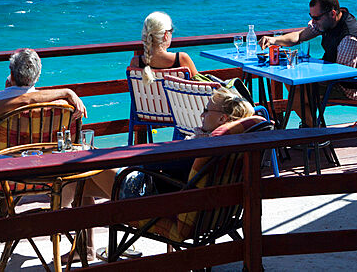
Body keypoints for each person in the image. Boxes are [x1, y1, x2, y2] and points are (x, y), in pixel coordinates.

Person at [64, 89, 256, 263]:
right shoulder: (226, 145)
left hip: (154, 200)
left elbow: (153, 163)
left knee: (91, 161)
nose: (201, 114)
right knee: (82, 178)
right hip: (205, 210)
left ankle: (57, 216)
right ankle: (84, 246)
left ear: (222, 119)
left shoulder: (203, 147)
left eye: (206, 111)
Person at [259, 0, 357, 126]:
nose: (313, 21)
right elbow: (299, 36)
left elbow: (340, 75)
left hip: (349, 89)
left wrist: (306, 68)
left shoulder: (350, 37)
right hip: (333, 78)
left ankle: (315, 133)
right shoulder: (328, 21)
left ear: (333, 13)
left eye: (316, 18)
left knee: (296, 97)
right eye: (311, 17)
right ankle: (313, 129)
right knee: (292, 84)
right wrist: (274, 40)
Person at [133, 11, 198, 82]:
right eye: (171, 30)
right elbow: (201, 87)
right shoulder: (181, 59)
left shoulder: (136, 62)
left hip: (146, 93)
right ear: (165, 35)